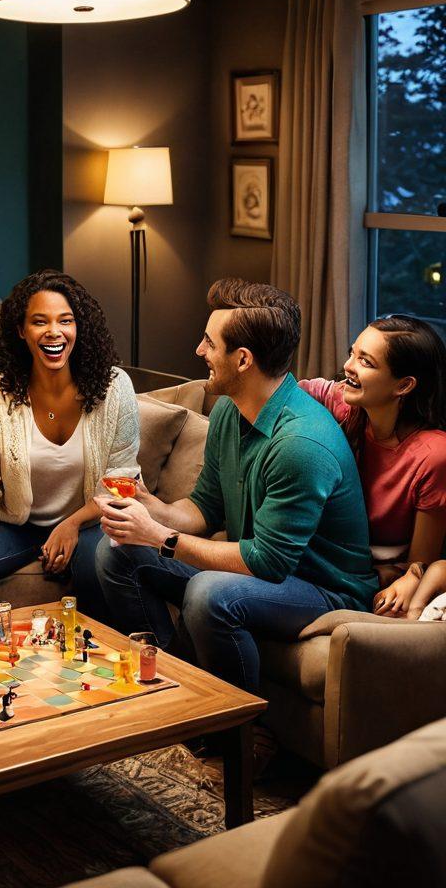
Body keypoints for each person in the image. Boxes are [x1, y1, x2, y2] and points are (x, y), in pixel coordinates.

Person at [96, 278, 376, 697]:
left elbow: (267, 563)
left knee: (211, 593)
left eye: (209, 343)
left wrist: (158, 537)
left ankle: (242, 735)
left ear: (243, 359)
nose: (199, 351)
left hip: (325, 589)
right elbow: (205, 508)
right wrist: (149, 505)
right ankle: (172, 688)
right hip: (272, 569)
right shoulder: (229, 409)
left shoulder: (300, 444)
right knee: (117, 553)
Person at [0, 270, 140, 620]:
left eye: (65, 321)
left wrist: (71, 524)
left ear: (78, 327)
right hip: (17, 525)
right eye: (40, 322)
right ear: (21, 331)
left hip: (88, 523)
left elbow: (124, 479)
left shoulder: (115, 388)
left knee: (96, 566)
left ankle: (86, 656)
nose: (54, 332)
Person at [299, 315, 446, 616]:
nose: (348, 366)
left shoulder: (433, 455)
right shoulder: (344, 403)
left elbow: (420, 562)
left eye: (366, 362)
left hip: (374, 576)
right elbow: (281, 391)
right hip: (331, 557)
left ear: (404, 385)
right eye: (352, 353)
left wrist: (408, 577)